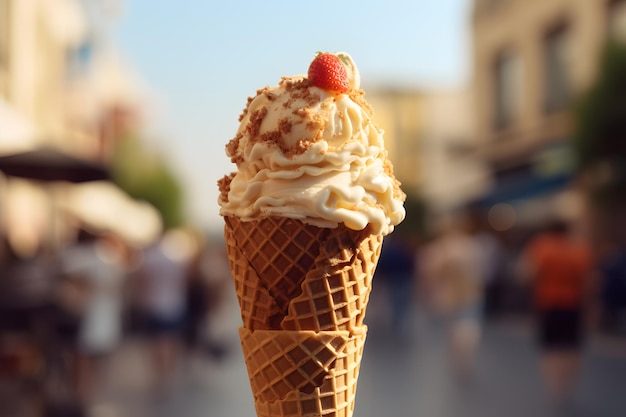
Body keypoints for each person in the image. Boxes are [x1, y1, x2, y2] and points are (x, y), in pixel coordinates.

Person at [522, 218, 595, 408]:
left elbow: (529, 275)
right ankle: (568, 385)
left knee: (550, 348)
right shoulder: (579, 249)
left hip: (549, 303)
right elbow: (589, 281)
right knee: (571, 347)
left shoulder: (541, 247)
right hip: (574, 303)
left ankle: (556, 388)